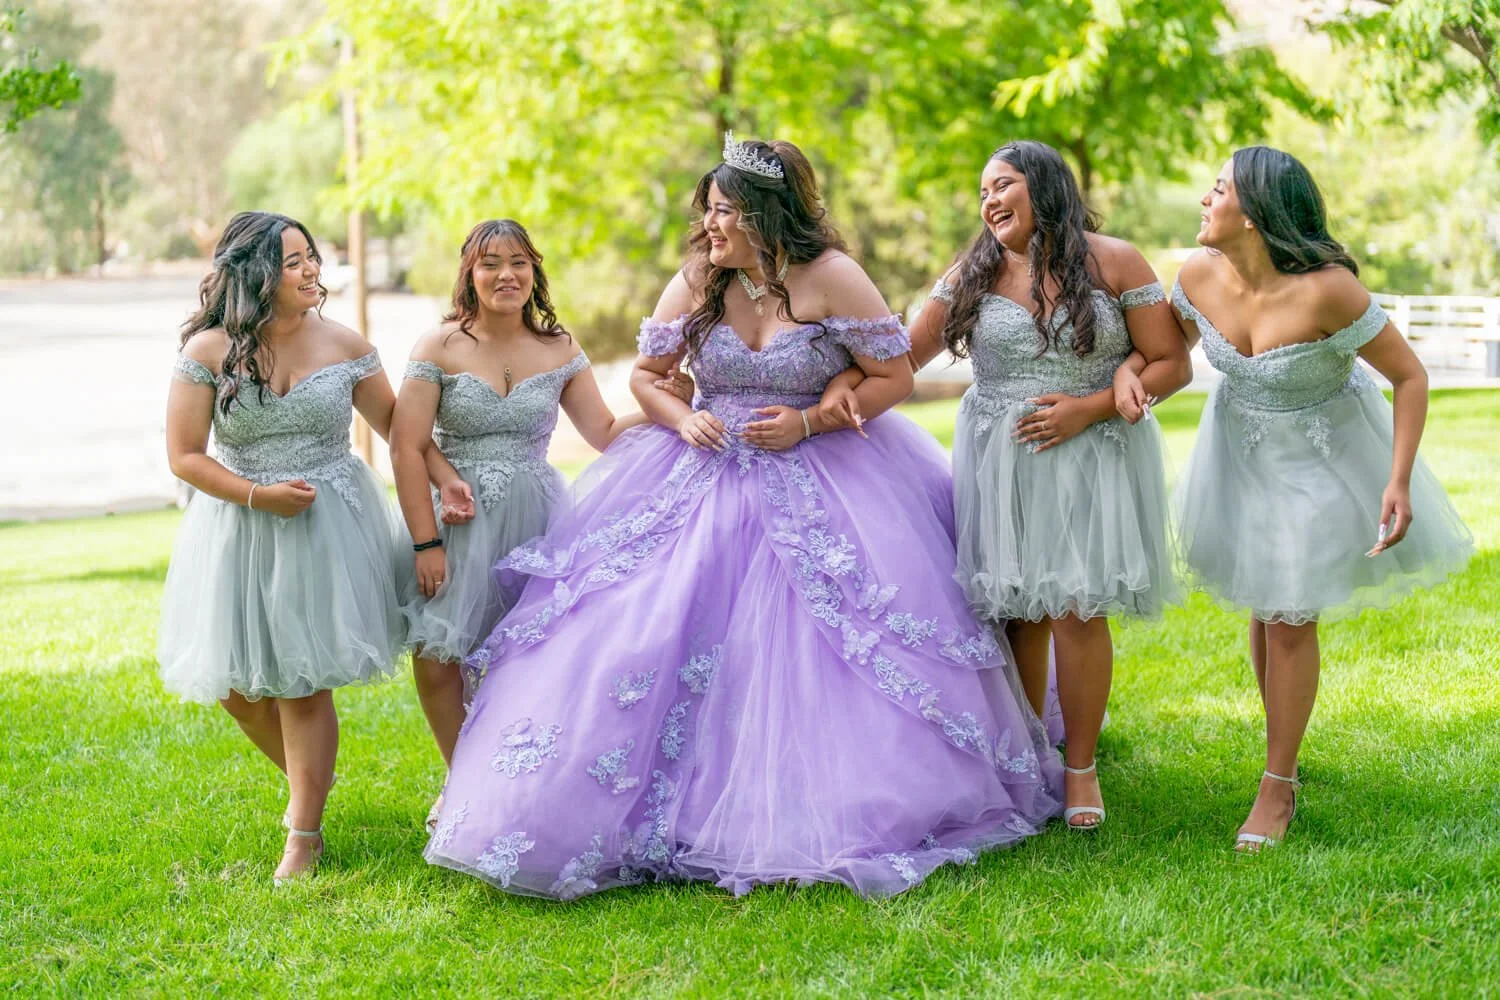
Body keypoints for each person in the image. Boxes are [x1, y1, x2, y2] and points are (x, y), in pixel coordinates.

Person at [423, 134, 1061, 899]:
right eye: (710, 211)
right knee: (638, 624)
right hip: (702, 469)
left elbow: (893, 373)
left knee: (837, 636)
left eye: (724, 211)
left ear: (766, 214)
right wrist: (679, 417)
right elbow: (652, 377)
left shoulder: (832, 277)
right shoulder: (698, 277)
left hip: (830, 470)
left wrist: (815, 422)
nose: (711, 226)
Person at [821, 140, 1190, 830]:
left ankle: (1080, 769)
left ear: (1044, 184)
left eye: (1003, 184)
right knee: (1015, 609)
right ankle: (1025, 758)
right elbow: (898, 356)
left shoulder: (1116, 261)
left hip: (1092, 452)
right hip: (1000, 454)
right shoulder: (972, 273)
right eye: (983, 191)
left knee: (1078, 607)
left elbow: (1171, 362)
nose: (990, 201)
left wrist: (1093, 406)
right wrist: (841, 374)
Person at [1114, 146, 1473, 850]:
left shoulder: (1328, 290)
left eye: (1216, 190)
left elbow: (1411, 376)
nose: (1204, 200)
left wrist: (1397, 478)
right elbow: (1168, 350)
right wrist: (1132, 371)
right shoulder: (1193, 277)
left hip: (1322, 458)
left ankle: (1276, 788)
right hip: (1241, 458)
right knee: (1264, 600)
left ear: (1251, 213)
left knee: (1286, 617)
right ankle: (1287, 750)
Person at [159, 210, 456, 884]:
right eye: (294, 261)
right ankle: (308, 780)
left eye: (311, 258)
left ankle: (305, 833)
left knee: (300, 681)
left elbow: (397, 432)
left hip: (329, 524)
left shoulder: (344, 344)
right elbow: (183, 456)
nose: (310, 270)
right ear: (256, 272)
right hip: (240, 523)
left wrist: (445, 479)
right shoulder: (208, 351)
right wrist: (259, 495)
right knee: (237, 685)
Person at [391, 219, 651, 798]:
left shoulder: (559, 346)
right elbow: (406, 445)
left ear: (534, 272)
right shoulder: (440, 346)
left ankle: (512, 786)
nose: (506, 275)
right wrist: (425, 541)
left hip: (537, 519)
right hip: (456, 524)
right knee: (439, 657)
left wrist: (664, 408)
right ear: (470, 274)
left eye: (518, 262)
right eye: (491, 263)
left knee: (523, 655)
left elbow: (605, 431)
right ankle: (463, 787)